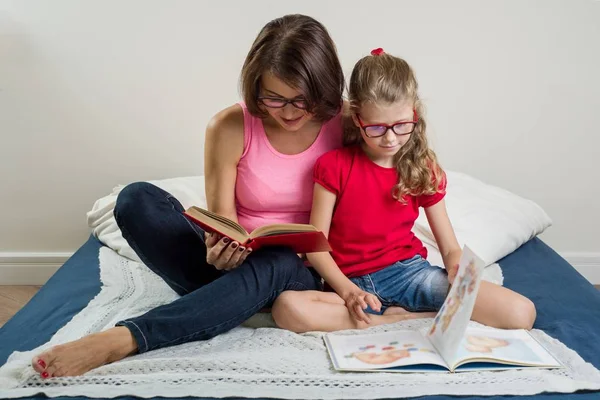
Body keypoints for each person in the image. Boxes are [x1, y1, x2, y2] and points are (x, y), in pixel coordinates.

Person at [31, 14, 345, 378]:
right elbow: (223, 217)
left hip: (301, 272)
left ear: (323, 88)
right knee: (135, 199)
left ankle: (126, 338)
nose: (289, 112)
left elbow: (391, 173)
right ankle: (231, 300)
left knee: (279, 261)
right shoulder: (229, 125)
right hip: (237, 264)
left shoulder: (347, 123)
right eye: (273, 98)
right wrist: (220, 248)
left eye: (301, 100)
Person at [271, 49, 537, 333]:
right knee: (287, 308)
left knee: (521, 313)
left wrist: (456, 267)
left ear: (414, 115)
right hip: (352, 284)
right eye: (376, 127)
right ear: (358, 118)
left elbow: (448, 247)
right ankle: (399, 319)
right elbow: (316, 248)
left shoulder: (421, 167)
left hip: (411, 275)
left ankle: (388, 319)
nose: (390, 138)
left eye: (401, 126)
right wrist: (349, 293)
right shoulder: (333, 166)